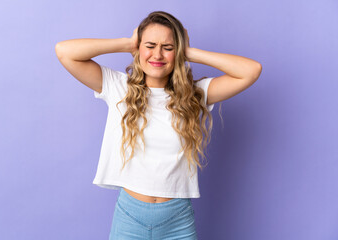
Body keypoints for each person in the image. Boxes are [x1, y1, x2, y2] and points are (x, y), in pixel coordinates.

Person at [55, 10, 262, 240]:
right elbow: (64, 52)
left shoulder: (194, 94)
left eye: (168, 47)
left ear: (178, 52)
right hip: (129, 218)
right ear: (139, 48)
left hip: (177, 221)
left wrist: (190, 52)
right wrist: (126, 43)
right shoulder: (118, 87)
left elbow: (251, 71)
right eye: (150, 45)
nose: (158, 55)